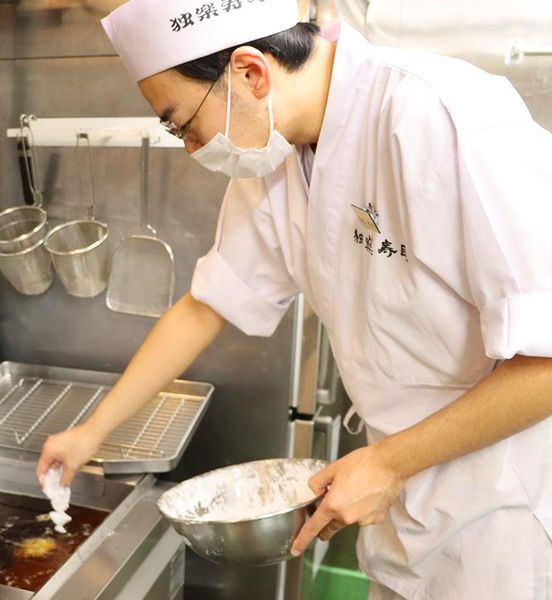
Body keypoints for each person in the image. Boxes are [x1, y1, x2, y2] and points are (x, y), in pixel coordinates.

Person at [36, 1, 552, 597]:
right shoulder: (272, 151)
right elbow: (206, 306)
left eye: (181, 123)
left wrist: (389, 463)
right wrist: (92, 432)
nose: (190, 147)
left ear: (250, 73)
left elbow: (545, 361)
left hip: (509, 509)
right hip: (401, 497)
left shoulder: (440, 116)